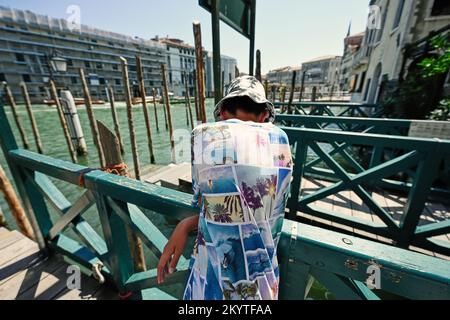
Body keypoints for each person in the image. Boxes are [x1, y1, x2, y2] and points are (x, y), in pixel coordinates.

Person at [157, 76, 293, 300]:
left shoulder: (202, 135)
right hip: (262, 284)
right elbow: (269, 209)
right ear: (264, 116)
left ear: (222, 114)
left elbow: (208, 206)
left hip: (212, 278)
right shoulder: (281, 139)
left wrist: (184, 225)